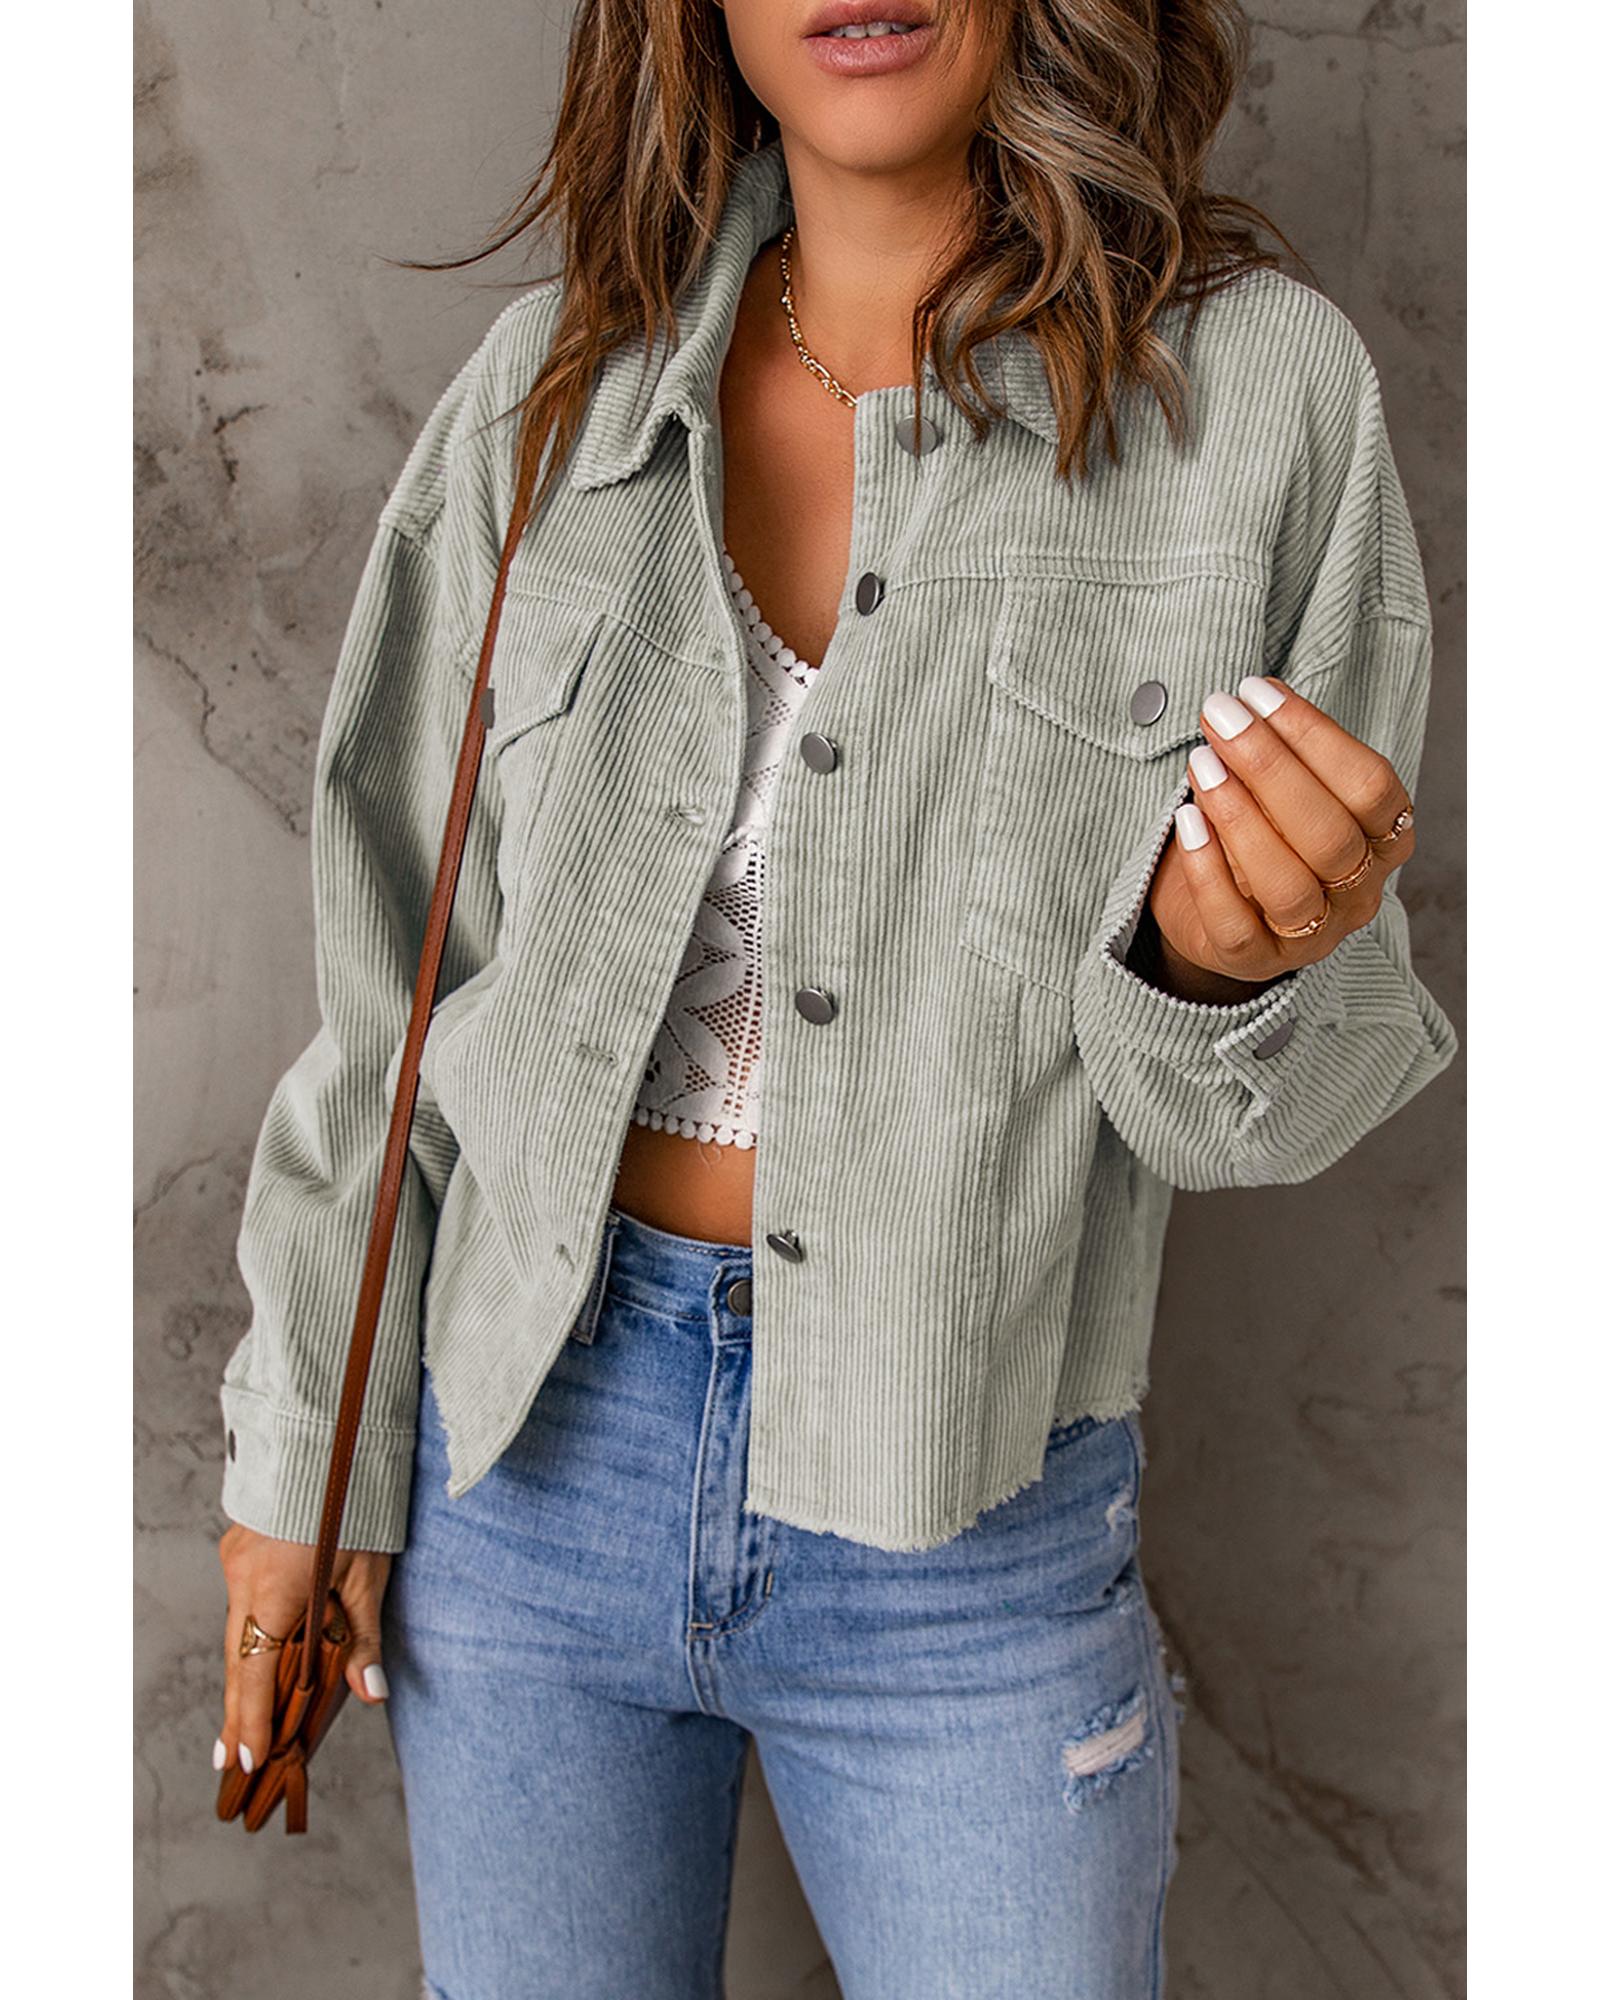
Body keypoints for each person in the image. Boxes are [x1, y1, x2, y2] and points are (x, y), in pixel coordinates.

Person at [212, 2, 1457, 1993]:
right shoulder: (546, 392)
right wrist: (309, 1455)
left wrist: (1220, 973)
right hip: (520, 1469)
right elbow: (396, 982)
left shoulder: (1257, 400)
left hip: (971, 1509)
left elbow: (1280, 1114)